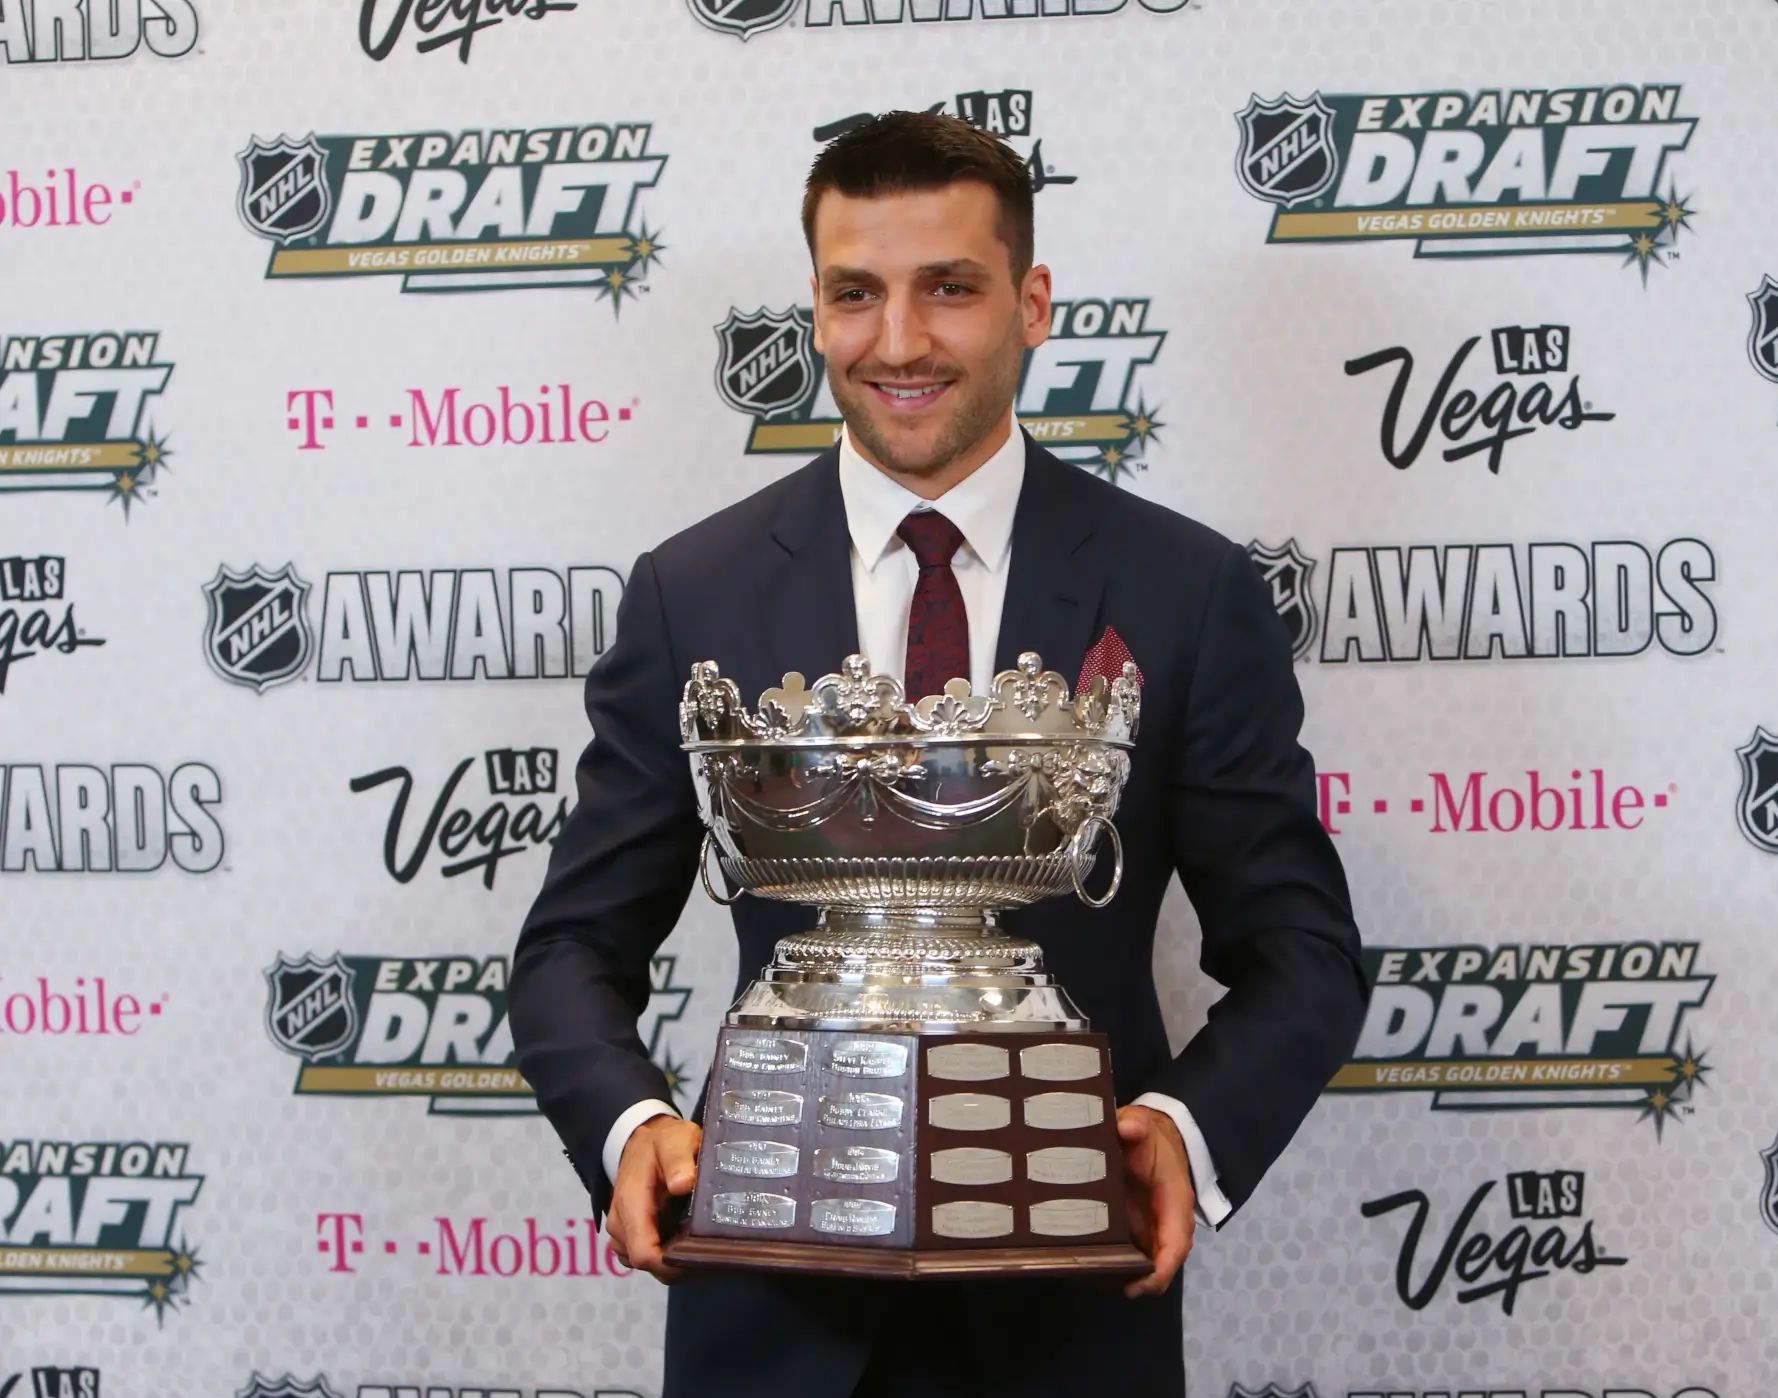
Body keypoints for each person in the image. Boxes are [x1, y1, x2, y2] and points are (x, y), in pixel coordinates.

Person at [509, 111, 1366, 1398]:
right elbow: (572, 947)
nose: (898, 342)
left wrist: (1183, 1136)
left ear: (1030, 303)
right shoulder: (694, 592)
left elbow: (1302, 952)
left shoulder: (1186, 592)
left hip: (1069, 1312)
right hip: (766, 1311)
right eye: (855, 294)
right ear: (814, 307)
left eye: (948, 290)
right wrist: (634, 1130)